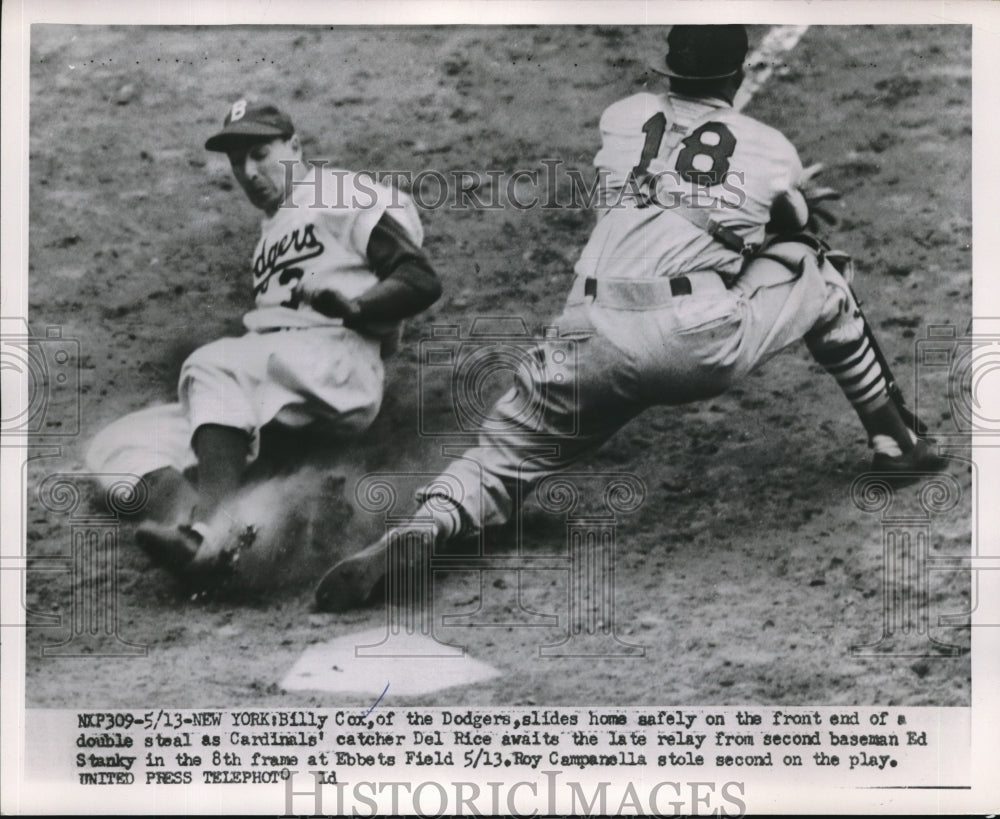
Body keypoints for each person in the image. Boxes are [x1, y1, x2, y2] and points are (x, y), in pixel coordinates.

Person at [313, 25, 947, 612]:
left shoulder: (621, 120)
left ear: (666, 73)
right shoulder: (771, 148)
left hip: (585, 334)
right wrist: (797, 214)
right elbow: (782, 225)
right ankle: (896, 439)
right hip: (691, 341)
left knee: (500, 454)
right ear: (737, 78)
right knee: (817, 268)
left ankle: (429, 524)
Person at [86, 99, 442, 575]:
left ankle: (209, 529)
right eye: (237, 160)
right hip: (282, 377)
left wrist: (356, 308)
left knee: (213, 363)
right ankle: (201, 531)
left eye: (260, 153)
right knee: (120, 443)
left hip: (336, 360)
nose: (248, 170)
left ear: (295, 146)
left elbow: (419, 279)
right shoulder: (272, 232)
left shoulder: (340, 192)